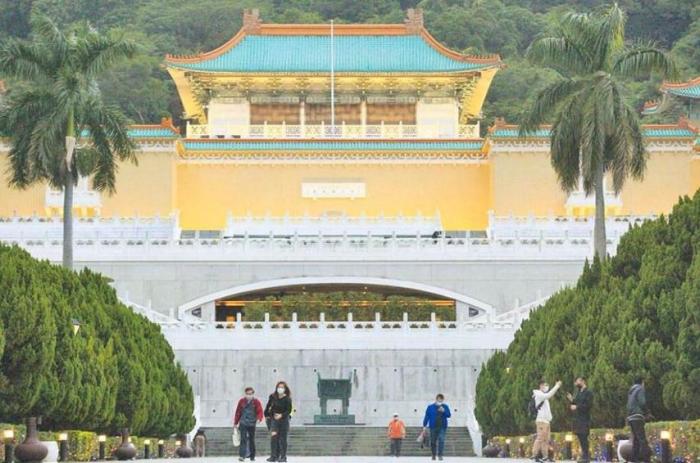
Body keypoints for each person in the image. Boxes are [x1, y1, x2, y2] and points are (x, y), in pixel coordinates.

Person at [531, 380, 562, 463]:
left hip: (547, 421)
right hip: (541, 420)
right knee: (540, 438)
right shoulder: (538, 394)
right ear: (540, 385)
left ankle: (545, 457)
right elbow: (549, 395)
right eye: (545, 385)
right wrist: (557, 386)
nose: (546, 386)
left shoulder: (543, 395)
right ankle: (534, 456)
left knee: (546, 439)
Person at [567, 377, 593, 463]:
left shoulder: (588, 392)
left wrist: (577, 407)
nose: (576, 383)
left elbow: (588, 405)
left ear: (583, 381)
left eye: (578, 381)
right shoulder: (578, 393)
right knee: (580, 436)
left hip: (584, 418)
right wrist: (572, 400)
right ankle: (584, 455)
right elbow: (576, 402)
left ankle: (586, 456)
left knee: (584, 436)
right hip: (577, 419)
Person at [265, 381, 293, 462]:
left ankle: (283, 457)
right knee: (274, 438)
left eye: (282, 387)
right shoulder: (272, 397)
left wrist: (281, 415)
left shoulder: (287, 399)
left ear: (285, 389)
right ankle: (273, 456)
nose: (280, 389)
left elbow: (289, 410)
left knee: (283, 439)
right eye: (279, 387)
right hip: (274, 420)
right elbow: (268, 406)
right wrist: (268, 415)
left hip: (284, 420)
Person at [234, 386, 264, 462]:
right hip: (243, 423)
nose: (249, 395)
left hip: (252, 423)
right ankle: (242, 456)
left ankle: (252, 456)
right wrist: (235, 422)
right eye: (247, 394)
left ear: (253, 394)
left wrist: (259, 419)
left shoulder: (256, 402)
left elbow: (260, 411)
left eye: (250, 394)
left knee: (251, 440)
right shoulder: (241, 401)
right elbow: (238, 412)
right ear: (245, 394)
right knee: (243, 439)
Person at [422, 393, 451, 461]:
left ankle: (440, 455)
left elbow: (449, 415)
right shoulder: (430, 407)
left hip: (442, 427)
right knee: (433, 441)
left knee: (441, 440)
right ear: (436, 399)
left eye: (441, 399)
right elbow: (427, 416)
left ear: (443, 400)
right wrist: (424, 425)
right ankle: (433, 455)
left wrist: (444, 411)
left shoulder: (445, 406)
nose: (440, 400)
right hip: (433, 427)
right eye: (439, 399)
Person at [627, 377, 649, 463]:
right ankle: (646, 459)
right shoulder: (640, 389)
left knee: (636, 439)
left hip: (631, 417)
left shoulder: (631, 391)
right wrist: (647, 412)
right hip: (637, 416)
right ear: (642, 382)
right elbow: (642, 402)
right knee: (642, 439)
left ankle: (634, 459)